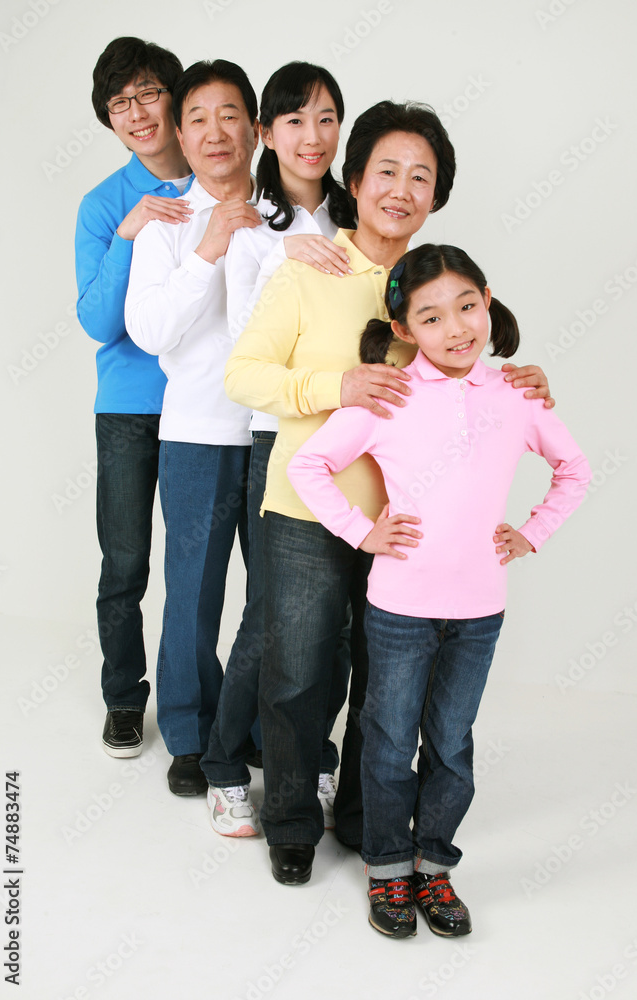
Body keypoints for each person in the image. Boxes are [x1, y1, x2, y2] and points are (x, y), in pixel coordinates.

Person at [224, 100, 554, 886]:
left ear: (436, 194)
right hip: (308, 512)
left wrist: (523, 382)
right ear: (354, 179)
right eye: (386, 172)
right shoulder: (308, 270)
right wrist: (333, 386)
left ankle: (364, 819)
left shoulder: (432, 284)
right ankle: (291, 822)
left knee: (383, 687)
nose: (401, 190)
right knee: (299, 673)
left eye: (420, 177)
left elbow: (468, 371)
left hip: (408, 529)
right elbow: (242, 375)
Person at [287, 243, 590, 937]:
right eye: (431, 317)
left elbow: (573, 469)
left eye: (466, 307)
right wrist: (362, 532)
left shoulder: (516, 394)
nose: (455, 329)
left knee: (451, 745)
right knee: (389, 741)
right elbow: (310, 465)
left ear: (487, 301)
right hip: (399, 608)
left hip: (479, 612)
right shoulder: (391, 395)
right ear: (403, 330)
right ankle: (387, 867)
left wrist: (532, 532)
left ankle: (434, 864)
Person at [200, 61, 356, 836]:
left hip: (357, 445)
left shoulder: (357, 215)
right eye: (293, 120)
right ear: (266, 132)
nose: (311, 136)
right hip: (282, 441)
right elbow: (244, 351)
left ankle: (312, 759)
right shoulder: (252, 227)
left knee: (337, 621)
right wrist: (285, 265)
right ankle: (224, 766)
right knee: (271, 615)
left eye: (325, 118)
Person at [124, 59, 261, 795]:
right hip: (198, 434)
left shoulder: (288, 216)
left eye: (229, 114)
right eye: (198, 118)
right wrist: (209, 246)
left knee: (276, 600)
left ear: (255, 128)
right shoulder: (167, 223)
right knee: (193, 595)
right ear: (180, 134)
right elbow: (149, 332)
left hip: (278, 435)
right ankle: (187, 731)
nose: (215, 132)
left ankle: (260, 726)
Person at [75, 37, 192, 759]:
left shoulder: (222, 180)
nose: (138, 112)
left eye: (148, 92)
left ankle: (194, 704)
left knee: (195, 570)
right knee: (124, 564)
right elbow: (97, 321)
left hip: (203, 405)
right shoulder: (102, 204)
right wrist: (128, 232)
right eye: (120, 103)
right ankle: (124, 698)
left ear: (174, 98)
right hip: (125, 408)